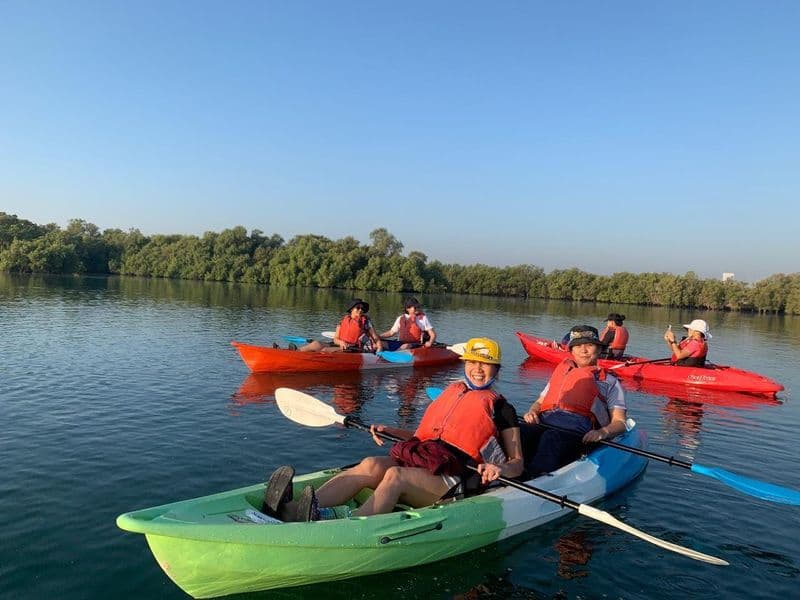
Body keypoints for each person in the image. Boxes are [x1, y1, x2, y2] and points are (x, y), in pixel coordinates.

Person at [267, 337, 524, 521]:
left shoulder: (502, 410)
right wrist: (388, 429)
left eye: (485, 364)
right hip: (423, 459)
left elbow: (517, 463)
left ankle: (344, 525)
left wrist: (499, 468)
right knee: (370, 464)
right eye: (473, 362)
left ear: (496, 369)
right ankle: (295, 511)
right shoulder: (451, 392)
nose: (478, 369)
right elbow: (422, 438)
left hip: (452, 478)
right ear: (465, 363)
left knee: (395, 476)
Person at [521, 325, 628, 476]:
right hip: (547, 424)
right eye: (578, 346)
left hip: (580, 435)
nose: (583, 351)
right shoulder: (562, 373)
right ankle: (507, 471)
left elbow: (620, 423)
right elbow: (539, 402)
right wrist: (532, 412)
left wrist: (602, 432)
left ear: (598, 349)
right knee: (521, 430)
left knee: (551, 439)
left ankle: (533, 477)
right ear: (571, 351)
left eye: (589, 345)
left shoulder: (610, 382)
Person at [297, 298, 383, 353]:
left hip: (355, 348)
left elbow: (375, 338)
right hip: (341, 345)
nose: (361, 310)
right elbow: (335, 339)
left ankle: (309, 359)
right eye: (358, 308)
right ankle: (295, 353)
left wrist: (379, 348)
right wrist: (341, 342)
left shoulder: (366, 322)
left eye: (362, 308)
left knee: (324, 350)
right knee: (316, 344)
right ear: (351, 309)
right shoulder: (343, 321)